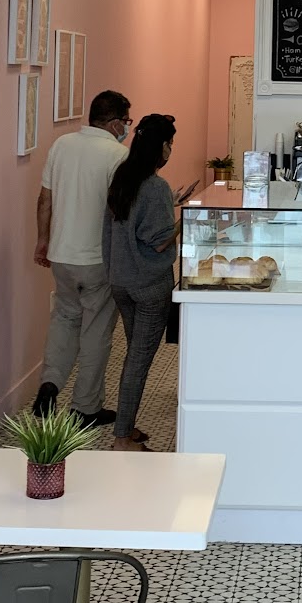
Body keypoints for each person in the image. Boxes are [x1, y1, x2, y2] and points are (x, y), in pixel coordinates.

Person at [33, 89, 131, 425]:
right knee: (96, 332)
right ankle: (86, 407)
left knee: (64, 319)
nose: (126, 128)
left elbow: (44, 199)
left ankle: (50, 383)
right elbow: (120, 210)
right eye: (126, 121)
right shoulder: (118, 155)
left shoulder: (61, 145)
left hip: (61, 255)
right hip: (97, 259)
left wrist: (42, 241)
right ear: (115, 122)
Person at [102, 114, 180, 452]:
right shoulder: (156, 187)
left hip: (120, 280)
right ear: (161, 146)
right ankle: (121, 438)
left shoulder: (122, 177)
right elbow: (159, 241)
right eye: (170, 144)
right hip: (149, 284)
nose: (171, 150)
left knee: (135, 355)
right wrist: (182, 221)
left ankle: (127, 425)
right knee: (138, 361)